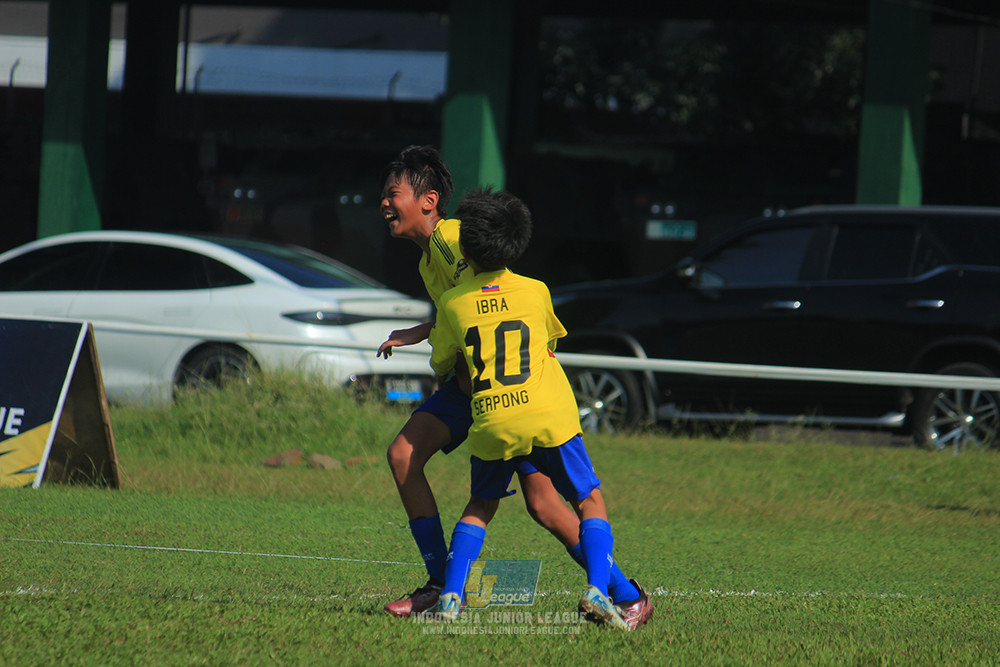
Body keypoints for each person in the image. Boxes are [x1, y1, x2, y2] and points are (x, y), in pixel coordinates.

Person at [376, 146, 652, 628]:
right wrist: (420, 332)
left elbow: (487, 299)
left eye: (392, 193)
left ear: (428, 200)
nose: (383, 202)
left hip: (490, 390)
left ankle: (625, 593)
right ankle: (440, 584)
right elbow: (469, 310)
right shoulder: (428, 261)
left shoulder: (456, 238)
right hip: (475, 390)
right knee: (404, 456)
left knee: (543, 505)